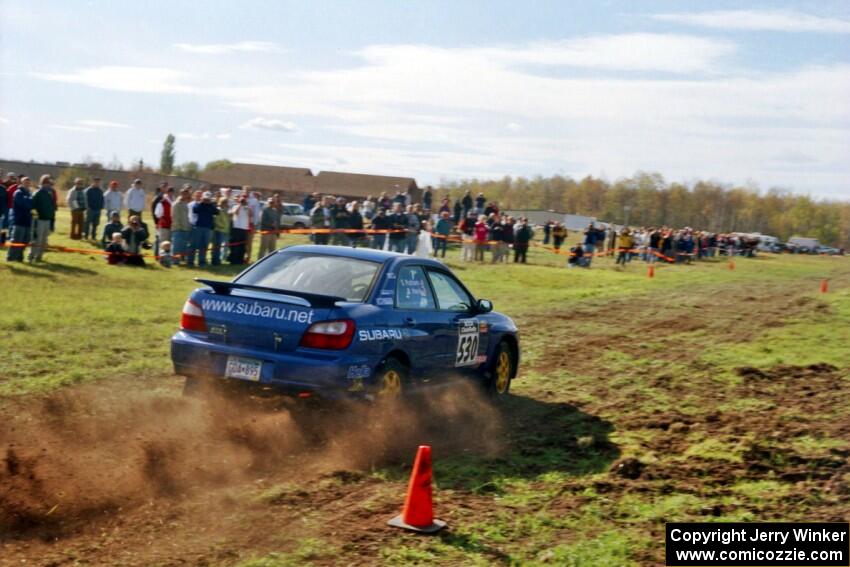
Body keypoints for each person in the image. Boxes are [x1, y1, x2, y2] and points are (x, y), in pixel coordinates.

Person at [29, 175, 56, 262]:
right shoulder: (37, 193)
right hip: (39, 220)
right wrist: (36, 219)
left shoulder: (49, 193)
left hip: (47, 220)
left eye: (50, 184)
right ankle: (31, 256)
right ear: (43, 183)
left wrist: (52, 219)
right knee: (37, 239)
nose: (49, 185)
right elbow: (32, 207)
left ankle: (39, 257)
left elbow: (51, 207)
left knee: (44, 240)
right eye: (48, 183)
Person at [188, 191, 218, 267]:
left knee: (204, 246)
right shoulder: (199, 204)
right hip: (198, 227)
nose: (206, 200)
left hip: (208, 228)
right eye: (205, 198)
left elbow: (217, 212)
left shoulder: (211, 206)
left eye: (208, 198)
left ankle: (201, 262)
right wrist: (202, 202)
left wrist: (210, 203)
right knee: (194, 245)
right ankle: (190, 261)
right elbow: (195, 210)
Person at [6, 177, 32, 262]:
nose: (27, 184)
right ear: (21, 183)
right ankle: (11, 257)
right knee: (16, 239)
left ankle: (19, 257)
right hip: (19, 220)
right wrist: (29, 202)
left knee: (25, 240)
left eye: (28, 182)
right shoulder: (18, 193)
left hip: (27, 221)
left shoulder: (29, 193)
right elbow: (25, 205)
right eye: (25, 182)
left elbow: (32, 204)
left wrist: (29, 202)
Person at [170, 188, 191, 265]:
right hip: (178, 228)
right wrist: (180, 227)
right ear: (181, 194)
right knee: (176, 246)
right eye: (184, 193)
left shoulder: (186, 204)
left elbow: (186, 217)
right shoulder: (176, 204)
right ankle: (175, 261)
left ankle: (180, 260)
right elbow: (175, 217)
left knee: (182, 246)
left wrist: (187, 226)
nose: (186, 195)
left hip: (185, 228)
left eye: (187, 194)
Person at [229, 193, 251, 264]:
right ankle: (233, 260)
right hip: (236, 228)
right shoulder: (235, 206)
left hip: (244, 229)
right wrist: (240, 205)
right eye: (242, 201)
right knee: (235, 245)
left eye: (244, 201)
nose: (243, 202)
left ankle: (240, 260)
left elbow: (250, 215)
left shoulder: (247, 208)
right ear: (239, 201)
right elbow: (235, 213)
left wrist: (247, 207)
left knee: (242, 246)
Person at [153, 187, 174, 258]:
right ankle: (160, 256)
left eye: (172, 192)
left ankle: (168, 256)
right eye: (169, 192)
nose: (171, 193)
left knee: (169, 242)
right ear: (167, 193)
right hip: (164, 225)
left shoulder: (174, 201)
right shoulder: (162, 202)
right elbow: (157, 214)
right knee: (162, 242)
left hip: (171, 225)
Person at [211, 195, 231, 265]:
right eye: (225, 202)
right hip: (219, 231)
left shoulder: (226, 211)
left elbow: (228, 220)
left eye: (227, 202)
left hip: (225, 231)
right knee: (217, 246)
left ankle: (220, 259)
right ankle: (215, 260)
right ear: (221, 203)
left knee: (221, 247)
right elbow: (216, 221)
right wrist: (222, 226)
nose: (226, 204)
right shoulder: (218, 210)